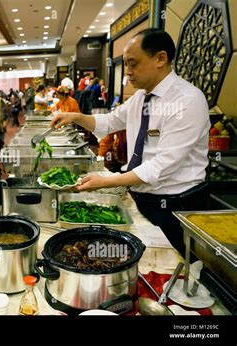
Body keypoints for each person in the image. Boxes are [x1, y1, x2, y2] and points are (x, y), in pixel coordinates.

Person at [51, 29, 210, 257]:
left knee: (178, 265)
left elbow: (162, 165)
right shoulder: (140, 97)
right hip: (142, 195)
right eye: (125, 65)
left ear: (160, 59)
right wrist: (75, 117)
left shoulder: (188, 101)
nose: (128, 73)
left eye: (133, 64)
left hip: (175, 205)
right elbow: (109, 121)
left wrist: (108, 181)